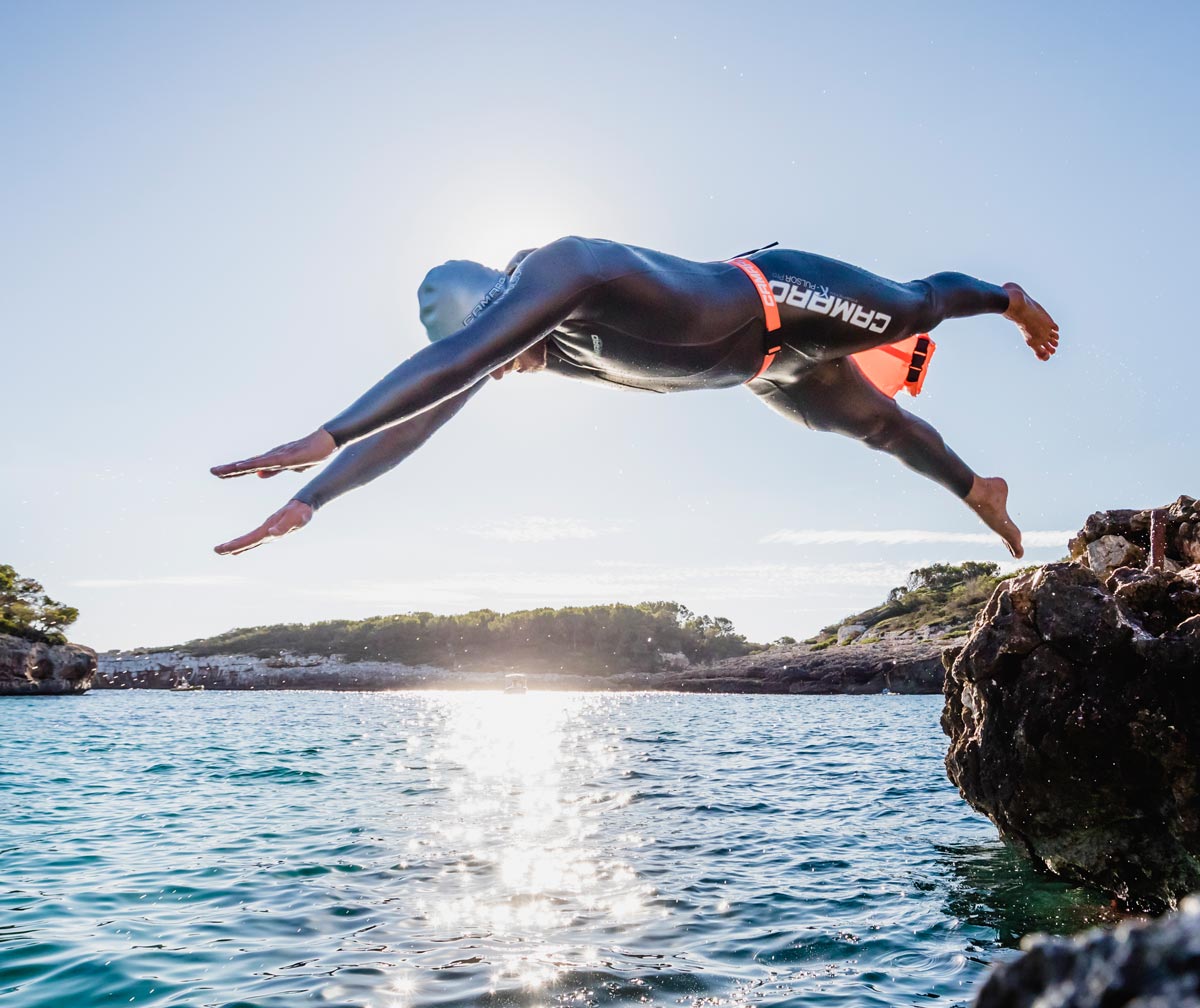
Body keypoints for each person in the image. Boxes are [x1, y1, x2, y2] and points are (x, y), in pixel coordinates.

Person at [211, 237, 1058, 559]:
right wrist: (311, 499)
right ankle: (980, 492)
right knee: (881, 428)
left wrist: (322, 434)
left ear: (501, 310)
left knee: (911, 306)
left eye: (493, 348)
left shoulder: (561, 268)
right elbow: (413, 424)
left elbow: (458, 361)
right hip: (765, 370)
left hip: (785, 293)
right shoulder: (517, 345)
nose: (496, 369)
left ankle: (1007, 298)